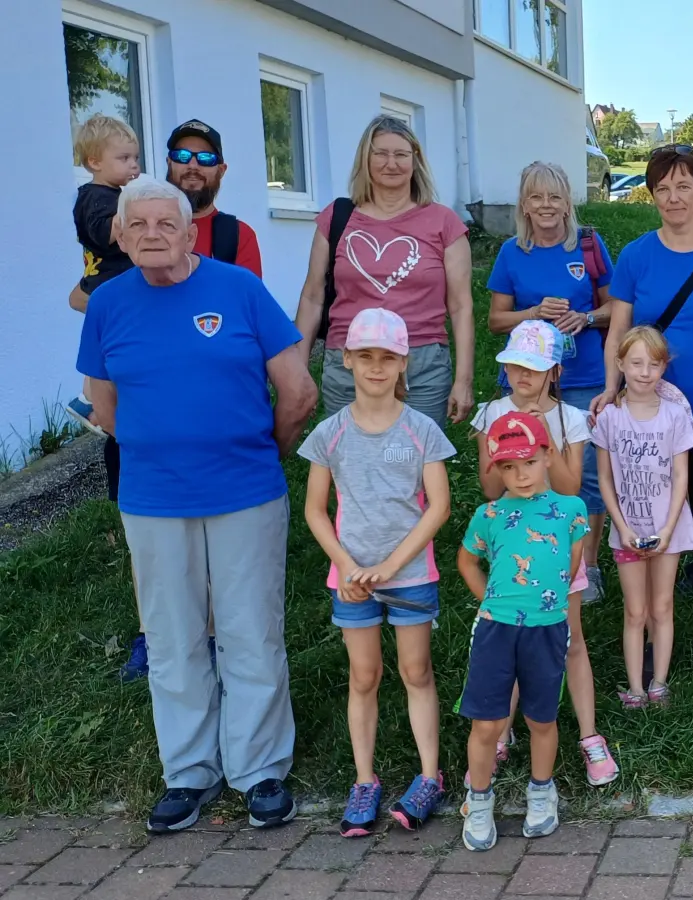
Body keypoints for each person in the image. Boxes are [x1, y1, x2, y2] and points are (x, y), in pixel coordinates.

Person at [76, 178, 318, 833]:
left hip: (244, 490)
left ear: (189, 233)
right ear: (120, 237)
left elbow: (297, 389)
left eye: (166, 223)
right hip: (153, 498)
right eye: (139, 225)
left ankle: (260, 768)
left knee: (249, 631)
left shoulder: (238, 289)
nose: (152, 233)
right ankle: (188, 773)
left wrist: (260, 448)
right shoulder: (109, 304)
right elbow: (103, 402)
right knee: (172, 634)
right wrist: (163, 446)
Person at [592, 146, 693, 686]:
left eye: (684, 185)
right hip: (643, 413)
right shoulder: (637, 254)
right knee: (639, 515)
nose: (674, 196)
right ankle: (640, 632)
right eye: (663, 187)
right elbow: (618, 330)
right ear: (652, 195)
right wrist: (610, 390)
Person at [299, 308, 454, 837]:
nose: (375, 367)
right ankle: (364, 779)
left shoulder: (421, 429)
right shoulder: (330, 433)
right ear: (346, 360)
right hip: (350, 579)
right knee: (363, 676)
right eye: (365, 356)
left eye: (387, 357)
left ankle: (430, 776)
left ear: (403, 362)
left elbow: (439, 506)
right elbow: (315, 510)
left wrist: (389, 565)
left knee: (417, 672)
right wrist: (348, 566)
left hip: (409, 575)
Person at [469, 320, 619, 786]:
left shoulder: (570, 418)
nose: (522, 377)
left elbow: (573, 489)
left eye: (533, 368)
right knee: (511, 644)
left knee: (571, 640)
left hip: (558, 550)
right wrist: (509, 435)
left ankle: (590, 737)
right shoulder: (491, 412)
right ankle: (499, 734)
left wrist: (540, 434)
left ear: (554, 370)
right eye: (514, 366)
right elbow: (490, 488)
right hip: (514, 551)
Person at [458, 412, 590, 850]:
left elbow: (573, 562)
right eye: (509, 467)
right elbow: (466, 560)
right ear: (497, 468)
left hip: (547, 629)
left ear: (548, 456)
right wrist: (491, 601)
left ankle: (541, 791)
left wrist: (549, 598)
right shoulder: (489, 513)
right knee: (488, 721)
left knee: (541, 717)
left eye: (529, 462)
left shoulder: (571, 511)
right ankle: (479, 801)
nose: (521, 475)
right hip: (497, 630)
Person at [295, 115, 474, 427]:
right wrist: (298, 372)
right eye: (380, 153)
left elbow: (460, 307)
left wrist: (464, 380)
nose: (391, 163)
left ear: (415, 160)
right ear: (366, 159)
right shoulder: (336, 218)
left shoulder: (444, 223)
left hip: (422, 365)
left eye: (401, 154)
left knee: (419, 467)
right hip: (349, 362)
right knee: (349, 464)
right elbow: (312, 297)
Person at [487, 162, 613, 600]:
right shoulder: (511, 252)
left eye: (555, 197)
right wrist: (532, 313)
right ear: (524, 203)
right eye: (537, 197)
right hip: (526, 378)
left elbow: (616, 307)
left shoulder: (588, 245)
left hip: (584, 377)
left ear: (567, 202)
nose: (546, 206)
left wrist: (587, 316)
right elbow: (495, 320)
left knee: (588, 475)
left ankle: (588, 564)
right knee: (521, 461)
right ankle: (522, 553)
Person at [593, 327, 693, 706]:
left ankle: (659, 683)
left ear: (663, 368)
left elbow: (682, 475)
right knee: (635, 611)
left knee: (662, 606)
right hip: (627, 531)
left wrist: (669, 528)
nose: (643, 372)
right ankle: (635, 688)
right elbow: (604, 479)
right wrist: (621, 528)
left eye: (653, 365)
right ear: (620, 364)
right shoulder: (609, 419)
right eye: (635, 363)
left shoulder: (675, 416)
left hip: (668, 529)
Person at [64, 114, 141, 437]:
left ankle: (98, 401)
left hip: (112, 280)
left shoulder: (110, 193)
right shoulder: (95, 197)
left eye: (135, 158)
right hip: (107, 282)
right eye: (123, 159)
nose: (133, 166)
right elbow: (105, 232)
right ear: (94, 161)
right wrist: (138, 206)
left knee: (116, 340)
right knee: (112, 341)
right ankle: (88, 400)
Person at [164, 119, 263, 276]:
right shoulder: (144, 229)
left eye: (205, 158)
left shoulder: (239, 236)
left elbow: (245, 299)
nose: (193, 165)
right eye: (182, 156)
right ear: (169, 163)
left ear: (221, 170)